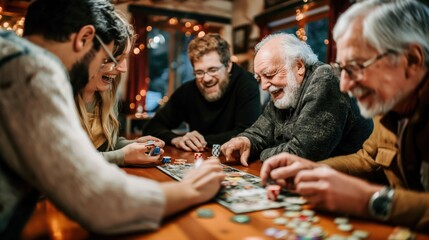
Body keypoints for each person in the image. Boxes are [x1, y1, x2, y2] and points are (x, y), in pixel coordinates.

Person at [0, 0, 224, 238]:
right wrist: (191, 189)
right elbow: (101, 202)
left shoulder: (11, 53)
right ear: (84, 38)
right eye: (108, 57)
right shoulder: (32, 68)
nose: (116, 67)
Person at [260, 0, 429, 232]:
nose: (345, 85)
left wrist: (369, 200)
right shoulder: (388, 105)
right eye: (343, 68)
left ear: (411, 60)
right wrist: (310, 169)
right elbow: (368, 159)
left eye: (356, 67)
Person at [221, 33, 373, 166]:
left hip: (351, 185)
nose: (264, 86)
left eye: (269, 75)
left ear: (299, 66)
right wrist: (245, 141)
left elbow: (302, 154)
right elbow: (262, 130)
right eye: (259, 78)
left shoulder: (325, 79)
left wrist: (263, 153)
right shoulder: (285, 91)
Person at [143, 33, 262, 152]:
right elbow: (151, 128)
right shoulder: (187, 91)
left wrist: (200, 140)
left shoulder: (247, 83)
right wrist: (177, 139)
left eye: (213, 70)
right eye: (199, 72)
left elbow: (248, 133)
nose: (206, 79)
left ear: (228, 66)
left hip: (238, 161)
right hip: (199, 160)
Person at [73, 13, 165, 166]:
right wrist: (121, 156)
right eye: (117, 59)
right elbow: (65, 162)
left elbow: (102, 147)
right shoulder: (59, 97)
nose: (123, 68)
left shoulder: (106, 94)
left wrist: (131, 145)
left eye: (125, 58)